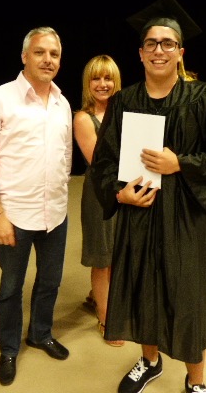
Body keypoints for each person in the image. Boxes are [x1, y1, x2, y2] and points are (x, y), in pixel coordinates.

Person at [90, 0, 206, 393]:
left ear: (180, 53)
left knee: (187, 295)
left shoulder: (205, 98)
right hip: (138, 212)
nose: (159, 50)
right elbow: (103, 163)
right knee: (142, 286)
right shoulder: (124, 101)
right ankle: (150, 361)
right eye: (151, 44)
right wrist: (119, 195)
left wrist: (181, 163)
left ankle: (196, 381)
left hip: (185, 215)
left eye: (168, 43)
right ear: (140, 53)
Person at [0, 26, 73, 387]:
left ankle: (40, 333)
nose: (48, 60)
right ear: (25, 56)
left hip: (55, 213)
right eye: (40, 52)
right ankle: (9, 348)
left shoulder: (62, 103)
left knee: (50, 281)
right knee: (11, 288)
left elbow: (65, 156)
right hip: (14, 215)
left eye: (54, 54)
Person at [73, 54, 124, 347]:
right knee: (103, 258)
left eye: (108, 78)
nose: (102, 84)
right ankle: (105, 317)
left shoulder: (124, 113)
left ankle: (98, 297)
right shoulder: (83, 118)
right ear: (87, 83)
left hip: (125, 191)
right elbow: (99, 161)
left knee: (118, 253)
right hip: (100, 194)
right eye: (96, 78)